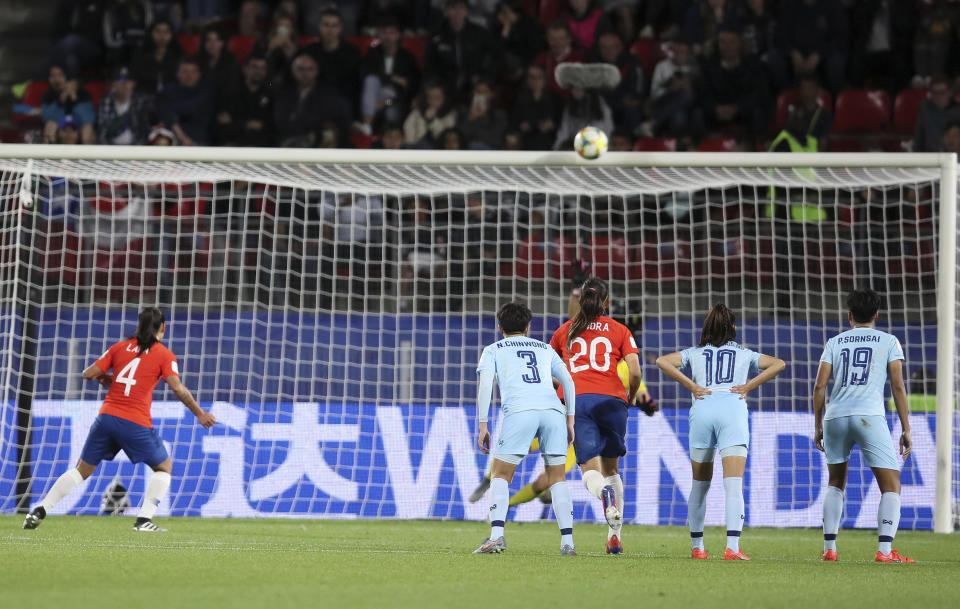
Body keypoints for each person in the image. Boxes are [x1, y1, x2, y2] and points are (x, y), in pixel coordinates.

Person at [22, 308, 216, 532]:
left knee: (80, 471)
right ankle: (144, 520)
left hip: (106, 418)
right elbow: (177, 388)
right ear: (162, 328)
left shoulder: (119, 347)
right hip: (135, 420)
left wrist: (105, 377)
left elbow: (87, 373)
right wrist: (199, 413)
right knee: (164, 467)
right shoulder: (164, 354)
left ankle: (40, 510)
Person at [656, 303, 785, 560]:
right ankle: (733, 548)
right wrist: (748, 386)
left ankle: (698, 548)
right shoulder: (744, 354)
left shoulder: (695, 352)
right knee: (733, 485)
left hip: (703, 410)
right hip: (732, 412)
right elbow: (778, 364)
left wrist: (693, 386)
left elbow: (662, 361)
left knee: (699, 485)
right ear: (733, 328)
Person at [813, 289, 915, 563]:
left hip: (835, 416)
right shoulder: (889, 341)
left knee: (835, 482)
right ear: (877, 314)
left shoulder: (834, 342)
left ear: (849, 316)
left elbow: (820, 386)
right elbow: (897, 386)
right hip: (869, 416)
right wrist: (906, 428)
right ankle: (884, 551)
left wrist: (818, 424)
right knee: (891, 485)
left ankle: (830, 549)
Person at [473, 302, 578, 556]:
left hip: (520, 412)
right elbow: (568, 380)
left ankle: (496, 536)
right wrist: (570, 419)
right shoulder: (544, 348)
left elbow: (486, 385)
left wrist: (483, 424)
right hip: (553, 412)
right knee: (557, 478)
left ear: (500, 328)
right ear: (528, 327)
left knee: (500, 474)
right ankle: (568, 543)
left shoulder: (493, 350)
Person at [548, 277, 643, 554]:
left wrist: (563, 390)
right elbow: (635, 371)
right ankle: (614, 537)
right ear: (607, 301)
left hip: (579, 402)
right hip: (613, 400)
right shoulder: (620, 330)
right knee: (612, 468)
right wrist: (632, 395)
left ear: (580, 300)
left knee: (590, 469)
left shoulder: (564, 331)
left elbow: (551, 372)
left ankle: (603, 493)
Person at [214, 54, 274, 147]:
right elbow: (222, 125)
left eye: (262, 68)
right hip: (234, 145)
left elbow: (271, 126)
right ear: (245, 69)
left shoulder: (271, 95)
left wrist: (235, 122)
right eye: (254, 67)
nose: (259, 71)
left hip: (261, 147)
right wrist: (247, 124)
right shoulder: (230, 93)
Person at [155, 56, 216, 146]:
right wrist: (183, 138)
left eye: (193, 72)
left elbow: (191, 108)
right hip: (172, 142)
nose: (189, 75)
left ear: (199, 74)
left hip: (200, 143)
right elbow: (162, 112)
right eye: (184, 72)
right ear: (177, 74)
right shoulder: (168, 90)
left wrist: (170, 109)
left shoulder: (206, 91)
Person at [97, 66, 154, 145]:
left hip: (137, 150)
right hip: (111, 150)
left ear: (134, 83)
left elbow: (145, 131)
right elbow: (103, 131)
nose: (124, 84)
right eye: (121, 80)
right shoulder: (106, 102)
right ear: (114, 84)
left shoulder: (142, 102)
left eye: (128, 81)